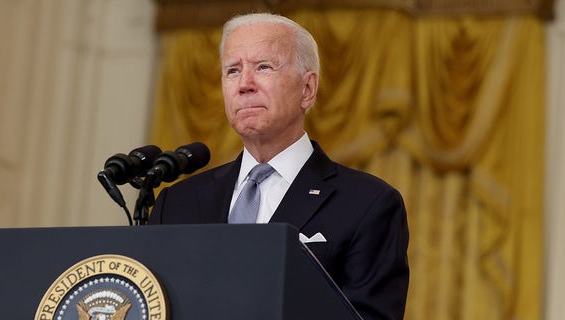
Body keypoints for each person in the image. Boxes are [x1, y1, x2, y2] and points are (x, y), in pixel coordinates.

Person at [149, 13, 409, 319]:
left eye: (263, 67)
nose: (244, 84)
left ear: (307, 89)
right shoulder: (176, 203)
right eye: (232, 70)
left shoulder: (368, 204)